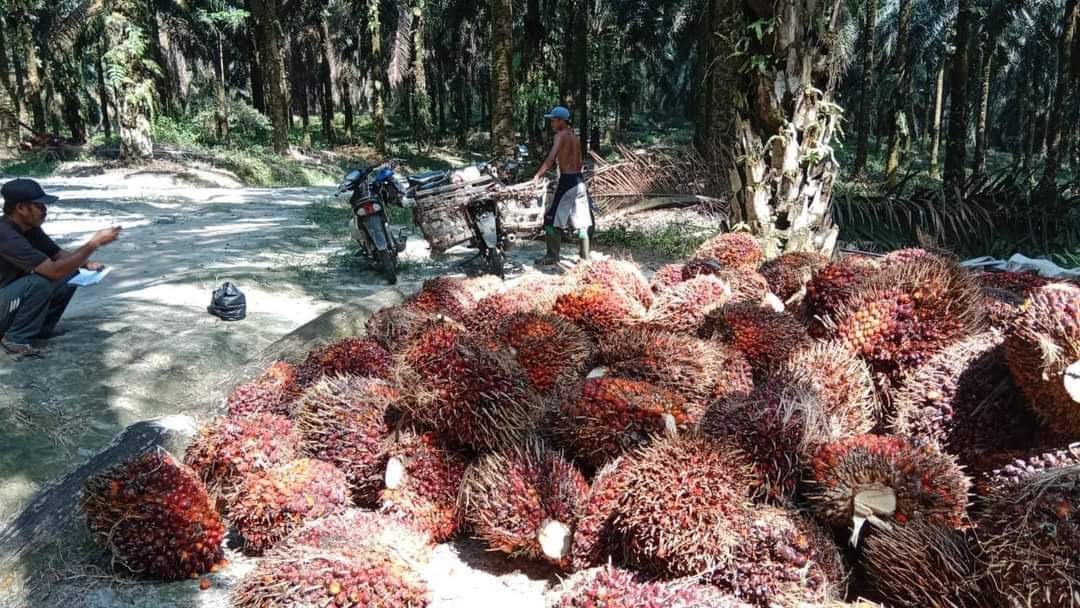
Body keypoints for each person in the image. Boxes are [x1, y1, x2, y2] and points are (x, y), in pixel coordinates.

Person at [0, 178, 121, 358]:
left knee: (70, 273)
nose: (45, 210)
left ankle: (39, 331)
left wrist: (85, 264)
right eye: (39, 206)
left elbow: (56, 254)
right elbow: (53, 270)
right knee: (40, 282)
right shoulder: (5, 234)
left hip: (8, 297)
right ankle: (15, 340)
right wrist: (93, 243)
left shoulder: (29, 228)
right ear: (21, 208)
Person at [531, 105, 594, 265]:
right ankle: (585, 257)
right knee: (582, 222)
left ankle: (552, 256)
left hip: (567, 181)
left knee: (551, 220)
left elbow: (551, 157)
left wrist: (538, 174)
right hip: (579, 181)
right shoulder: (574, 136)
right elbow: (579, 161)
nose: (551, 123)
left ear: (561, 121)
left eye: (553, 120)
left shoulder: (560, 135)